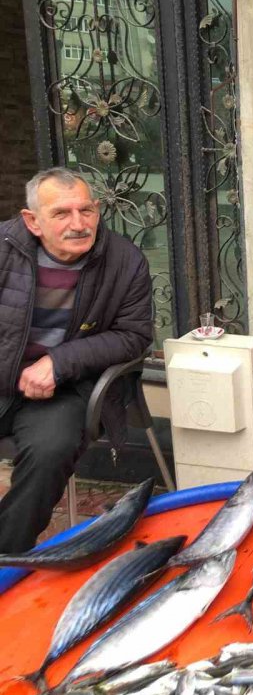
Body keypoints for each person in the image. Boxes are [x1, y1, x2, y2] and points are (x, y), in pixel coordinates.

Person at [0, 168, 152, 553]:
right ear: (32, 221)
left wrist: (59, 362)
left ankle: (5, 557)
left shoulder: (125, 260)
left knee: (50, 451)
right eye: (62, 214)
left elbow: (134, 335)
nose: (79, 224)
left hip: (65, 389)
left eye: (86, 210)